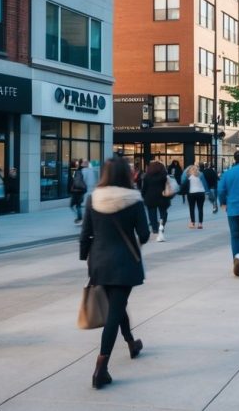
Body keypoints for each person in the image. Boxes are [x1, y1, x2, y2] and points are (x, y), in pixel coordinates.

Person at [80, 158, 150, 389]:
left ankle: (131, 343)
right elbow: (144, 234)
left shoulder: (93, 199)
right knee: (115, 311)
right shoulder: (134, 200)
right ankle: (101, 368)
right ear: (126, 175)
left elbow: (85, 234)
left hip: (99, 262)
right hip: (124, 263)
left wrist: (85, 257)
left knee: (118, 306)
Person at [140, 162, 170, 242]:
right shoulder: (164, 177)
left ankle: (155, 230)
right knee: (163, 213)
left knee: (152, 214)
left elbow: (144, 189)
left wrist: (142, 196)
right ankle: (161, 226)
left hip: (150, 198)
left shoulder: (147, 177)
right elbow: (167, 187)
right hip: (162, 197)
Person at [180, 164, 208, 229]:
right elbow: (205, 184)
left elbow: (183, 182)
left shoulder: (188, 176)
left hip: (191, 193)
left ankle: (192, 223)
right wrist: (207, 192)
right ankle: (200, 224)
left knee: (191, 208)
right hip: (201, 193)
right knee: (200, 209)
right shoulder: (201, 175)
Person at [70, 159, 87, 224]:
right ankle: (80, 217)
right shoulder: (82, 170)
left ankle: (80, 218)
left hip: (77, 191)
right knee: (78, 205)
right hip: (81, 190)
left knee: (75, 205)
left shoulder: (77, 171)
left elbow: (75, 181)